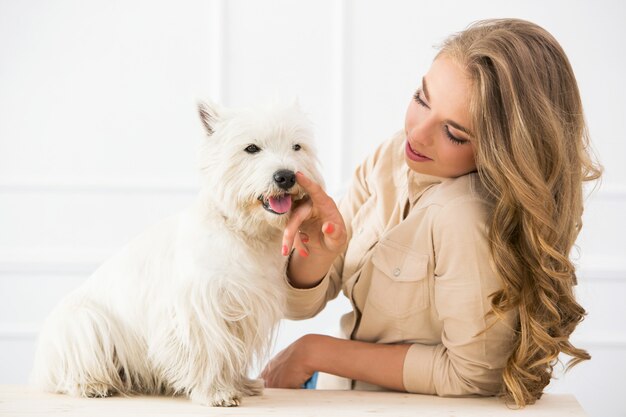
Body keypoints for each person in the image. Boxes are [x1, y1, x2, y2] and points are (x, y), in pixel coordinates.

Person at [260, 18, 602, 407]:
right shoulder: (390, 159)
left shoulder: (464, 217)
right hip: (343, 399)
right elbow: (297, 304)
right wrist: (318, 253)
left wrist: (314, 352)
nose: (417, 134)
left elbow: (472, 374)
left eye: (455, 133)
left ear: (503, 152)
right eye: (422, 99)